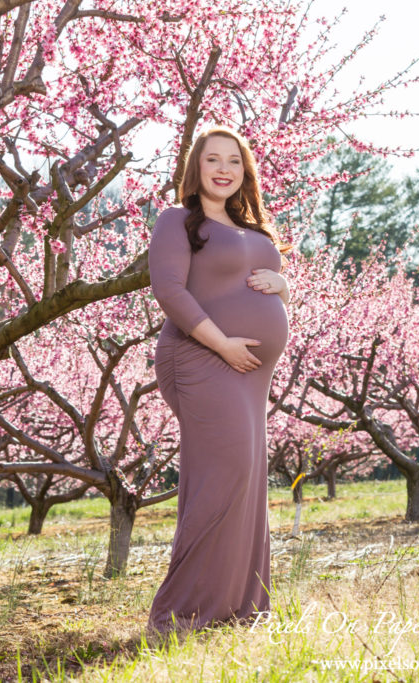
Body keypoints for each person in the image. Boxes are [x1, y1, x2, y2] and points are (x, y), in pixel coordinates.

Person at [146, 126, 292, 636]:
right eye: (213, 160)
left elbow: (262, 283)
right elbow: (168, 290)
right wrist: (223, 343)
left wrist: (284, 286)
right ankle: (179, 615)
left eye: (234, 160)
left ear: (244, 170)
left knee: (247, 479)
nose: (224, 168)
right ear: (197, 168)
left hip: (251, 376)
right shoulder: (177, 221)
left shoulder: (252, 228)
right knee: (222, 477)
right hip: (201, 358)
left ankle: (239, 607)